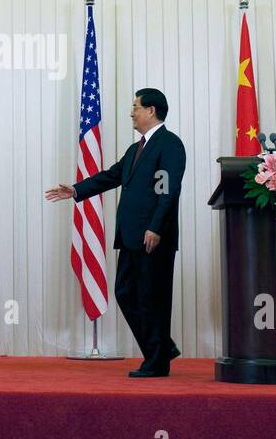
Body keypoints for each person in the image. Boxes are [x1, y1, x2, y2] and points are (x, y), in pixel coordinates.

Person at [46, 88, 185, 377]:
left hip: (152, 237)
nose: (131, 112)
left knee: (151, 298)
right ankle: (162, 346)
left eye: (136, 107)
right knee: (125, 292)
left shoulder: (169, 145)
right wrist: (75, 190)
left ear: (151, 110)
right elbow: (111, 176)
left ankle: (157, 361)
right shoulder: (136, 149)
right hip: (131, 236)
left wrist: (155, 227)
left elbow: (167, 191)